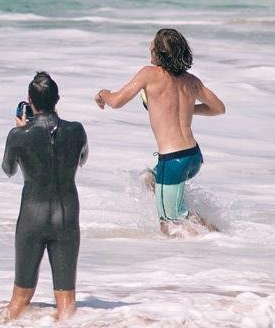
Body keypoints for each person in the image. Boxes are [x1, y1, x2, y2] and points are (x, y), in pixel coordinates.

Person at [94, 27, 227, 233]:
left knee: (168, 225)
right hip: (193, 157)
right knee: (150, 180)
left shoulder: (149, 74)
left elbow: (117, 101)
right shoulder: (191, 81)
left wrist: (103, 94)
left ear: (160, 52)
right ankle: (217, 235)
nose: (150, 49)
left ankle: (207, 250)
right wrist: (186, 110)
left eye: (152, 47)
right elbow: (219, 108)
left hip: (173, 160)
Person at [3, 72, 88, 323]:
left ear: (29, 101)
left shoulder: (18, 135)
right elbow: (81, 159)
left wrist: (21, 131)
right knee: (66, 302)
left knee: (20, 298)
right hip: (66, 216)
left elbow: (9, 169)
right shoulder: (77, 131)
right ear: (57, 99)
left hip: (32, 217)